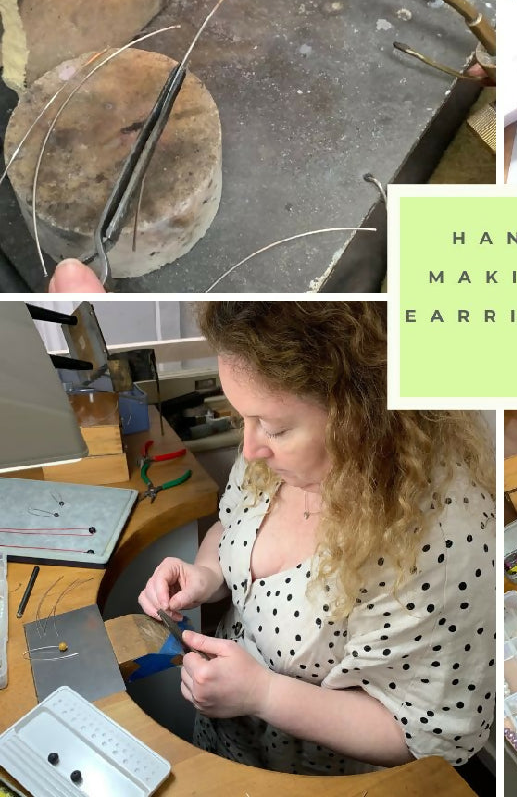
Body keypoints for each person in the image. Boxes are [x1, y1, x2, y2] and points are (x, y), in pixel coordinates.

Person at [138, 301, 495, 774]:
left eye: (276, 427)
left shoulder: (442, 542)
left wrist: (261, 694)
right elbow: (234, 525)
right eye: (242, 417)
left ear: (361, 415)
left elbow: (424, 734)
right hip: (231, 750)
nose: (248, 449)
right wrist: (207, 573)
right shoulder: (274, 457)